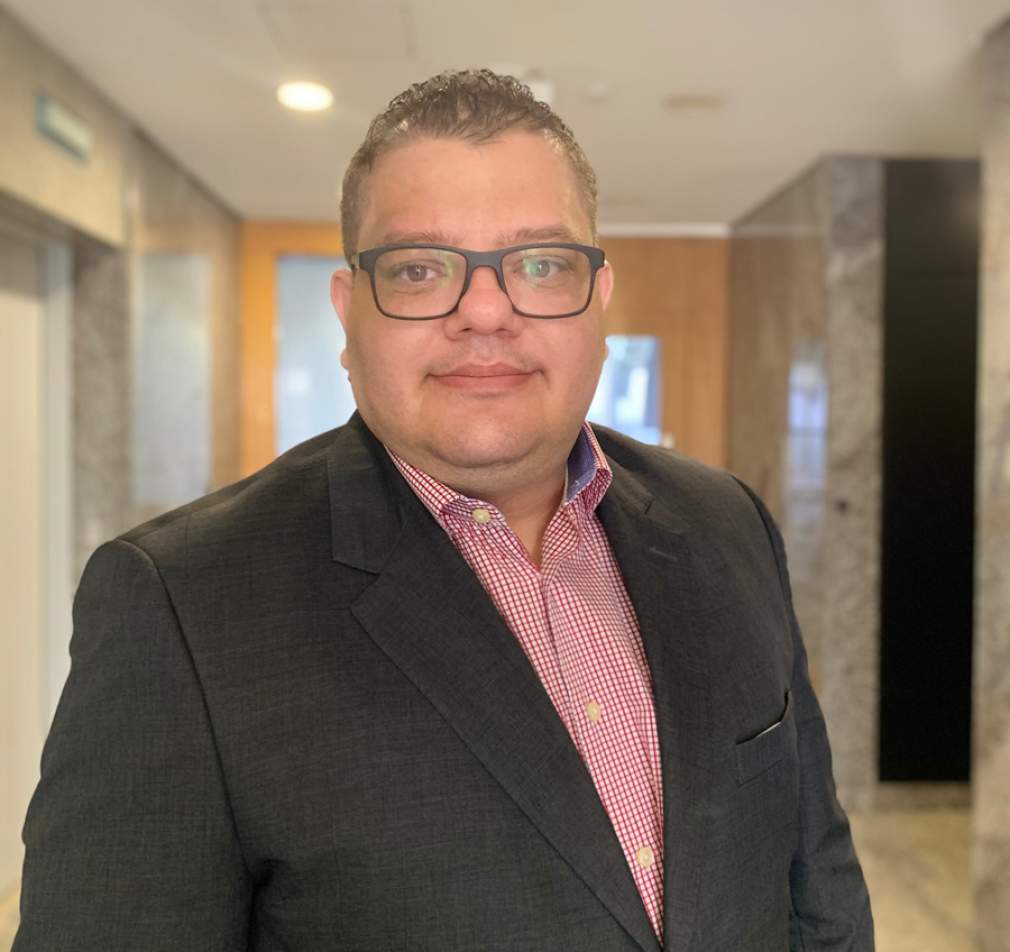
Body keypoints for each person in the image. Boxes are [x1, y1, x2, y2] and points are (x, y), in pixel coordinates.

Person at [14, 69, 873, 951]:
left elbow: (820, 885)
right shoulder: (181, 606)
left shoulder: (727, 522)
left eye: (541, 264)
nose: (485, 312)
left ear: (598, 301)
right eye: (421, 270)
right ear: (349, 313)